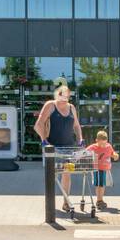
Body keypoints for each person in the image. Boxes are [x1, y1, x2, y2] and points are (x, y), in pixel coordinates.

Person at [33, 84, 83, 213]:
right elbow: (38, 124)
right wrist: (44, 141)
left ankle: (66, 202)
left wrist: (80, 138)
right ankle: (50, 206)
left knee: (67, 174)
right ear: (57, 94)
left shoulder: (71, 108)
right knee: (52, 175)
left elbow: (76, 126)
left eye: (67, 94)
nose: (65, 96)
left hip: (69, 147)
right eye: (62, 94)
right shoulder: (51, 105)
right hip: (53, 148)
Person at [85, 129, 119, 210]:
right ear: (97, 140)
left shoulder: (108, 146)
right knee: (99, 185)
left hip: (105, 169)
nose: (103, 146)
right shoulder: (93, 147)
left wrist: (115, 155)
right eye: (101, 144)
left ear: (106, 141)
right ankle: (99, 200)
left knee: (102, 184)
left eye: (105, 143)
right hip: (97, 168)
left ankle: (100, 199)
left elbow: (112, 153)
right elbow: (85, 152)